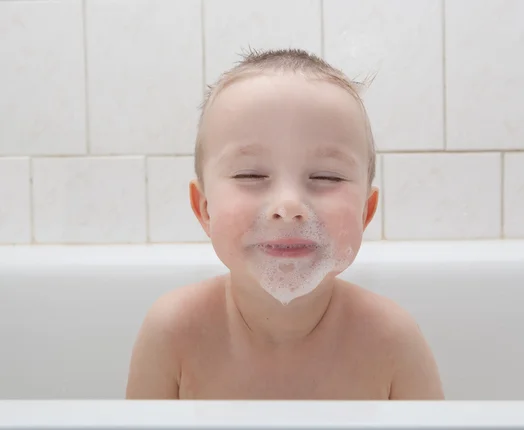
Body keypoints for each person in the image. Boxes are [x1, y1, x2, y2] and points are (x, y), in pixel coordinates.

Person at [126, 48, 444, 400]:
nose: (289, 206)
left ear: (366, 212)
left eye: (326, 176)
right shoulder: (174, 332)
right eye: (251, 174)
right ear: (204, 209)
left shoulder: (392, 340)